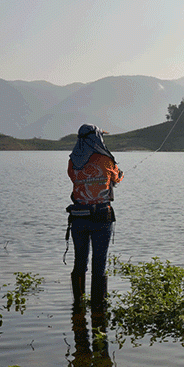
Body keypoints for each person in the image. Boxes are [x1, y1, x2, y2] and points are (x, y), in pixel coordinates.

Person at [67, 124, 123, 315]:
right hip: (101, 218)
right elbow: (115, 178)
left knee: (79, 262)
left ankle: (78, 307)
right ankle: (99, 310)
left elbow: (74, 179)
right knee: (99, 264)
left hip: (78, 218)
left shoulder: (73, 161)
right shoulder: (106, 159)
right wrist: (119, 174)